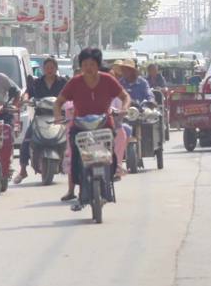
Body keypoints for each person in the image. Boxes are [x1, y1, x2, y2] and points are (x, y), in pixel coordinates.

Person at [54, 48, 130, 204]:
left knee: (110, 155)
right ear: (81, 66)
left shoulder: (108, 79)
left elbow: (125, 96)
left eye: (92, 64)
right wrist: (57, 115)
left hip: (104, 125)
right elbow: (59, 102)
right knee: (75, 155)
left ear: (98, 65)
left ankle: (110, 177)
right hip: (80, 126)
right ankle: (78, 182)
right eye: (85, 64)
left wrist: (125, 108)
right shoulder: (75, 82)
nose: (89, 68)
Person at [14, 57, 68, 184]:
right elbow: (28, 93)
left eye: (52, 67)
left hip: (59, 117)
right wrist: (25, 99)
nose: (49, 70)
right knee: (27, 139)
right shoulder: (37, 82)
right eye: (47, 67)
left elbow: (72, 93)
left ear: (56, 69)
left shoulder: (63, 82)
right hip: (40, 116)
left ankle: (73, 167)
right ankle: (22, 170)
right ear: (43, 69)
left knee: (71, 138)